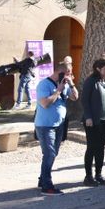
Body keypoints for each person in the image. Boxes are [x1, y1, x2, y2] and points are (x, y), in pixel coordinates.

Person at [35, 62, 78, 195]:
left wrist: (70, 84)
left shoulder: (65, 84)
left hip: (59, 125)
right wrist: (58, 90)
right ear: (60, 72)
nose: (71, 75)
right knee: (49, 154)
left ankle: (43, 179)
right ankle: (47, 187)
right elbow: (45, 103)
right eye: (69, 73)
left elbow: (75, 97)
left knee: (53, 153)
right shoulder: (44, 84)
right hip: (45, 126)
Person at [81, 58, 105, 187]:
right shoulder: (91, 81)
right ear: (98, 69)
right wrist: (88, 117)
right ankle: (88, 176)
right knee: (92, 148)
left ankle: (98, 174)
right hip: (92, 121)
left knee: (100, 148)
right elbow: (84, 100)